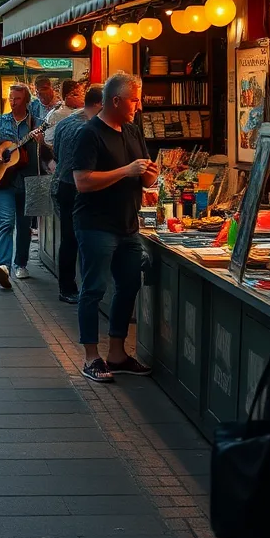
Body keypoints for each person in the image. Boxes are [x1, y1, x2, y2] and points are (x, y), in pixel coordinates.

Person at [72, 73, 158, 382]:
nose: (139, 104)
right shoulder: (89, 134)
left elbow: (144, 175)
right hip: (96, 224)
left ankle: (118, 353)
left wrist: (149, 175)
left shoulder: (133, 131)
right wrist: (126, 171)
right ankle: (91, 357)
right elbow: (82, 182)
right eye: (135, 99)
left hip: (128, 224)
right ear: (116, 101)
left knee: (130, 284)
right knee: (93, 289)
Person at [0, 82, 49, 287]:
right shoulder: (0, 121)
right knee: (6, 222)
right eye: (10, 98)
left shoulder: (38, 123)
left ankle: (21, 264)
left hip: (28, 181)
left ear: (26, 100)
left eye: (17, 99)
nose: (12, 102)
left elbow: (48, 153)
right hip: (3, 182)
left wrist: (42, 141)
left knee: (25, 226)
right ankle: (4, 266)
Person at [50, 85, 103, 303]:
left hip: (63, 184)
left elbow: (55, 153)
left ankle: (67, 287)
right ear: (100, 104)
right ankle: (78, 288)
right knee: (83, 239)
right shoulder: (91, 128)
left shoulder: (65, 123)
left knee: (69, 239)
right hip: (80, 187)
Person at [46, 79, 85, 148]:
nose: (83, 98)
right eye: (80, 94)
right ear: (69, 97)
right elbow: (49, 141)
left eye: (83, 93)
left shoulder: (84, 111)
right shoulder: (58, 114)